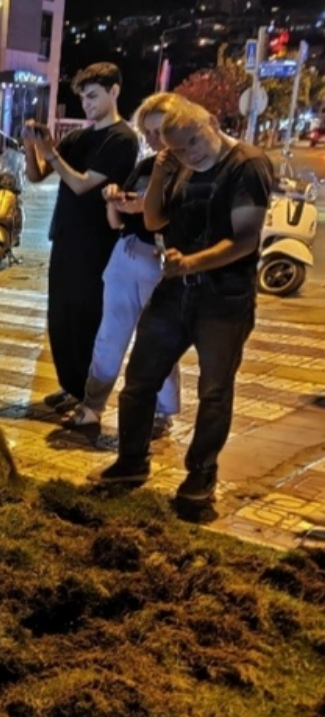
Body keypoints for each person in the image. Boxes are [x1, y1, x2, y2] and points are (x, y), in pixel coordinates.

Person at [91, 100, 273, 505]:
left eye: (195, 141)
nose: (192, 153)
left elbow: (245, 238)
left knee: (214, 389)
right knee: (138, 381)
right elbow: (154, 220)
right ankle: (131, 460)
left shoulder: (246, 165)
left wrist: (192, 261)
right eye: (180, 149)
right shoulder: (174, 163)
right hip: (174, 291)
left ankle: (201, 474)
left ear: (211, 121)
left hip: (224, 297)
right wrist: (159, 170)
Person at [61, 93, 184, 436]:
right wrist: (112, 200)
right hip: (126, 253)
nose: (153, 139)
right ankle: (92, 405)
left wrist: (142, 207)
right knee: (109, 335)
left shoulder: (191, 170)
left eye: (160, 131)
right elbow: (116, 222)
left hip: (162, 262)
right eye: (148, 131)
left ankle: (163, 412)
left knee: (159, 340)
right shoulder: (146, 166)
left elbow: (165, 219)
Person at [23, 62, 139, 413]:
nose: (87, 104)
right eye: (83, 98)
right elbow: (37, 175)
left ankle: (87, 393)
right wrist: (33, 145)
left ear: (114, 91)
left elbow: (81, 183)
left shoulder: (122, 139)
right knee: (60, 317)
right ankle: (70, 385)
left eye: (93, 96)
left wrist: (51, 153)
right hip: (64, 237)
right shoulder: (78, 137)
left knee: (87, 318)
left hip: (95, 243)